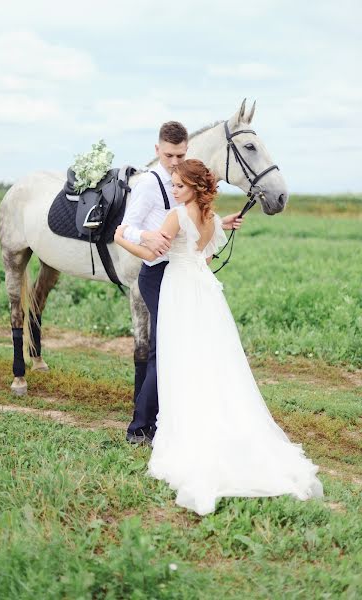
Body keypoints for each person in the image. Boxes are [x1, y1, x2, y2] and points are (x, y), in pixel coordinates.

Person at [114, 159, 323, 516]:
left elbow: (151, 254)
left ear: (194, 187)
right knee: (210, 357)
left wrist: (121, 236)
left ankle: (185, 427)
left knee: (178, 358)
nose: (174, 190)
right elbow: (206, 258)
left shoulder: (177, 216)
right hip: (204, 290)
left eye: (179, 185)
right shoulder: (211, 219)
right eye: (174, 185)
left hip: (179, 289)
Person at [122, 121, 243, 445]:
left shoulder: (188, 192)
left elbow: (194, 228)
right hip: (158, 271)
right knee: (164, 350)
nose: (175, 162)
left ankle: (164, 419)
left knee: (178, 348)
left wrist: (219, 223)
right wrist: (146, 235)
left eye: (181, 155)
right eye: (170, 155)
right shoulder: (149, 184)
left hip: (181, 274)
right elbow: (129, 227)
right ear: (157, 150)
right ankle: (142, 426)